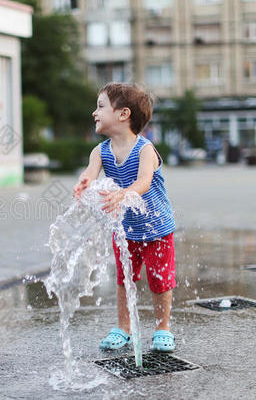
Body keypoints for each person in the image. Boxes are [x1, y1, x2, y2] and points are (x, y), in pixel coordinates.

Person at [73, 83, 177, 352]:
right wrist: (83, 184)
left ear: (123, 114)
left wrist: (123, 194)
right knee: (124, 279)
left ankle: (162, 328)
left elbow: (144, 181)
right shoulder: (100, 151)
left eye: (100, 106)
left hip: (157, 228)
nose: (94, 112)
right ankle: (124, 328)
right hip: (126, 230)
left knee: (160, 280)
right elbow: (90, 173)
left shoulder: (145, 149)